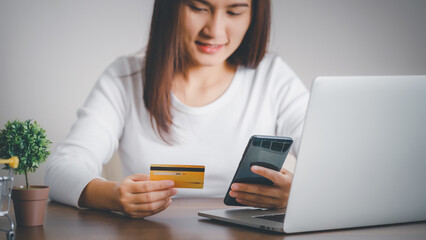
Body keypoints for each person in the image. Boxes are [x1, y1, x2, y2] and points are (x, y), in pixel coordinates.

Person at [45, 0, 309, 219]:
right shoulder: (125, 77)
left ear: (254, 14)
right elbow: (61, 169)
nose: (215, 30)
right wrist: (113, 196)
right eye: (198, 7)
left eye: (234, 12)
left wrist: (298, 194)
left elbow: (332, 166)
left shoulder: (273, 77)